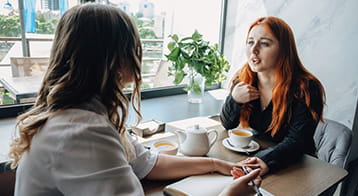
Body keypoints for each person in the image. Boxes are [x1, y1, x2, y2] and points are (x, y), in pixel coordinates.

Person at [9, 3, 261, 196]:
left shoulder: (85, 112)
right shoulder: (81, 131)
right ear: (113, 58)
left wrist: (215, 164)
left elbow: (147, 163)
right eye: (133, 46)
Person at [220, 16, 325, 176]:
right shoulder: (244, 78)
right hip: (260, 159)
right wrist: (234, 99)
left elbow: (297, 141)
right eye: (250, 42)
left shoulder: (306, 88)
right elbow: (227, 123)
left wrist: (265, 160)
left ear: (283, 49)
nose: (253, 50)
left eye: (264, 43)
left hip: (296, 167)